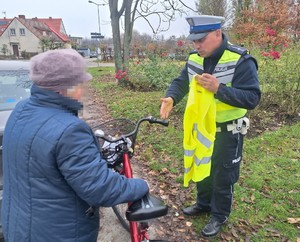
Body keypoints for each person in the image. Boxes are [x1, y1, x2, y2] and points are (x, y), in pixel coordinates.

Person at [1, 49, 149, 242]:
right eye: (80, 84)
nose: (83, 90)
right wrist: (140, 185)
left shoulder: (22, 109)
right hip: (58, 233)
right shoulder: (70, 130)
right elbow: (99, 188)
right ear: (64, 88)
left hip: (20, 225)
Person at [160, 15, 261, 237]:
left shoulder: (241, 59)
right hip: (202, 130)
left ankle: (219, 215)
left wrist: (219, 89)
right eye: (193, 41)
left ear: (217, 34)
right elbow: (182, 81)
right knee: (203, 168)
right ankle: (203, 204)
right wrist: (171, 98)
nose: (196, 46)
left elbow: (252, 98)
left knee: (223, 176)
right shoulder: (195, 58)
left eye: (201, 40)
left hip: (228, 132)